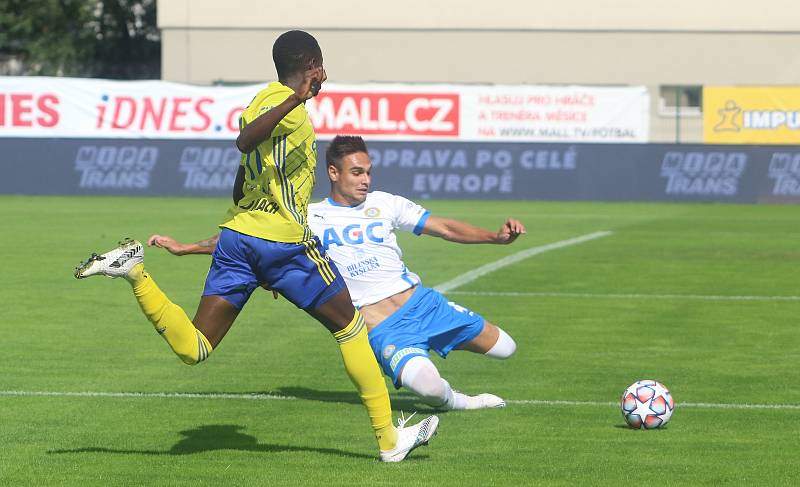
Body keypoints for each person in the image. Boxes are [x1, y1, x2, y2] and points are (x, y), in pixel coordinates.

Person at [74, 31, 437, 463]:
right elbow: (245, 143)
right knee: (352, 327)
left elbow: (240, 180)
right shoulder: (289, 109)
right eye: (321, 67)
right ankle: (388, 441)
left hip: (239, 238)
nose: (325, 76)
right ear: (311, 66)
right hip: (284, 242)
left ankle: (135, 271)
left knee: (195, 347)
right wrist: (296, 101)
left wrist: (259, 257)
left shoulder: (258, 99)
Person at [148, 135, 523, 411]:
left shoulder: (385, 203)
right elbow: (245, 237)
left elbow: (444, 227)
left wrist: (495, 237)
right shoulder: (307, 217)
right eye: (357, 172)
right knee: (427, 388)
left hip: (424, 304)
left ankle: (445, 336)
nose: (365, 180)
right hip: (381, 328)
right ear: (333, 172)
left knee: (506, 348)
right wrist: (186, 247)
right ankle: (456, 401)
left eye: (368, 172)